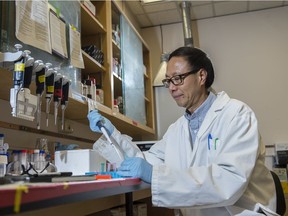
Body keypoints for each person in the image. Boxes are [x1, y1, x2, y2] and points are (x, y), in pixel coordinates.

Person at [88, 46, 277, 216]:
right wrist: (111, 134)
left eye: (177, 79)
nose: (171, 88)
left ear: (201, 76)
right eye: (168, 81)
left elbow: (228, 181)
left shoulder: (236, 115)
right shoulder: (177, 129)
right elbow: (144, 162)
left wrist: (154, 175)